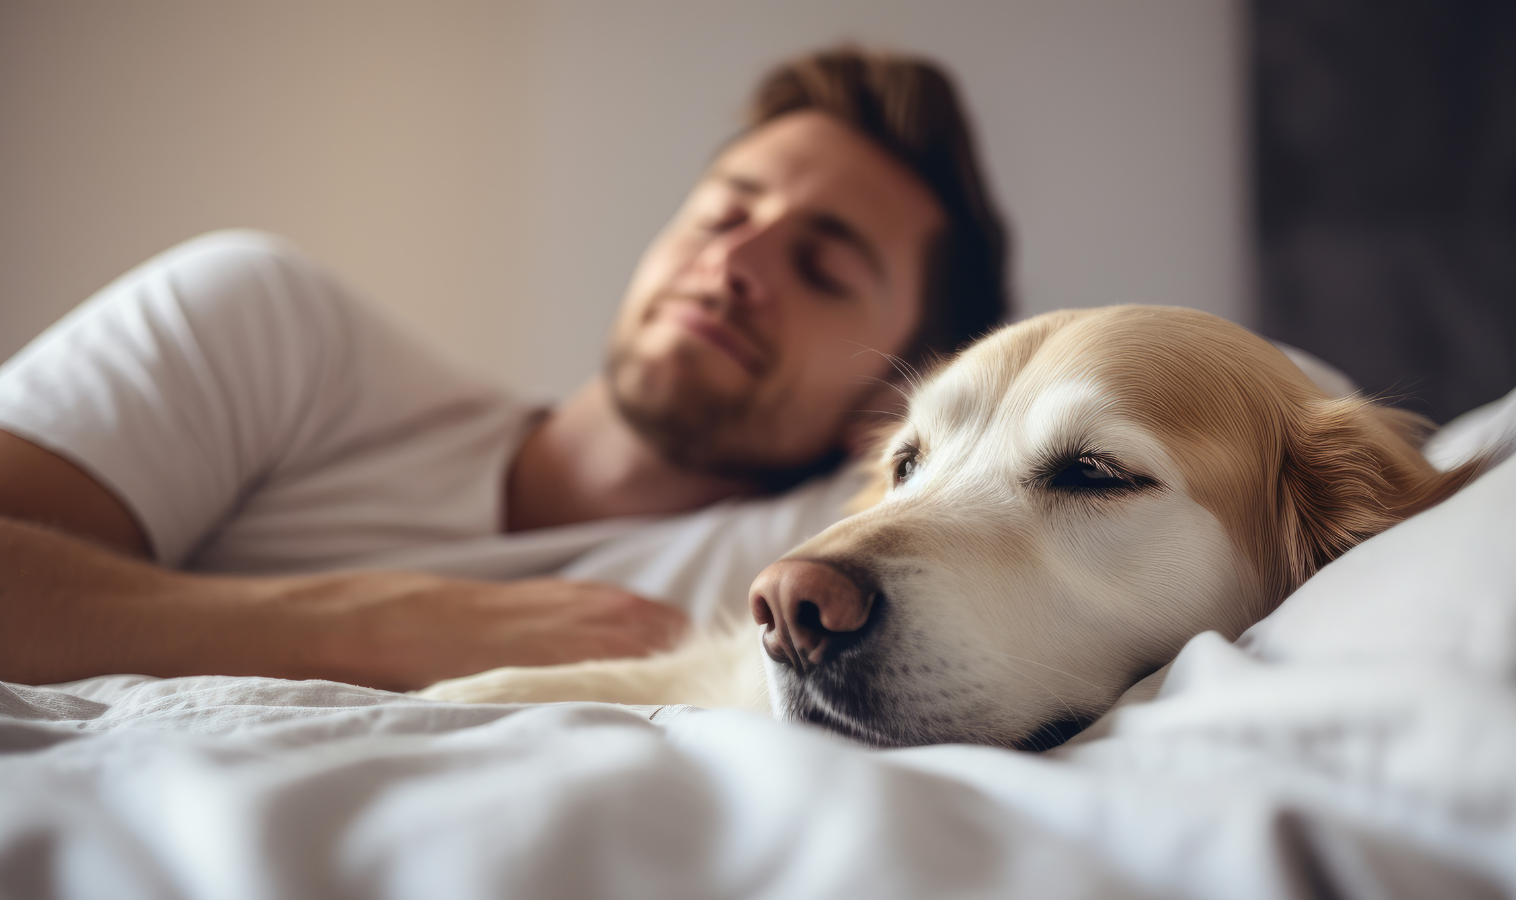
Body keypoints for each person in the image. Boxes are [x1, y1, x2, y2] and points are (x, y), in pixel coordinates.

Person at [0, 47, 1008, 692]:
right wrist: (372, 630)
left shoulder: (803, 556)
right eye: (723, 212)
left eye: (821, 267)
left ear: (886, 408)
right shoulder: (269, 326)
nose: (734, 265)